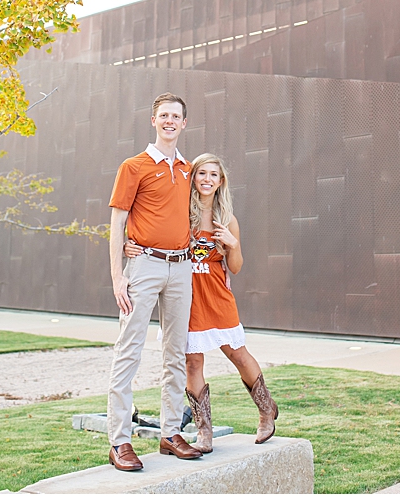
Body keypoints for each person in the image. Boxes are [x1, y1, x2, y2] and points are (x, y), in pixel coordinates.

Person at [125, 153, 279, 452]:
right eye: (201, 174)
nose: (207, 180)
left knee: (237, 353)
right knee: (192, 360)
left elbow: (235, 266)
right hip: (184, 292)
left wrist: (232, 244)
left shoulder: (227, 220)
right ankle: (204, 430)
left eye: (213, 175)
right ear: (192, 178)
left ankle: (266, 411)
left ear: (221, 182)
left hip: (216, 293)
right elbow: (150, 226)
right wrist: (131, 243)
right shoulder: (181, 213)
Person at [104, 92, 202, 472]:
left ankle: (170, 433)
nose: (169, 121)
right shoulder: (134, 166)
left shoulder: (188, 168)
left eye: (176, 116)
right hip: (142, 266)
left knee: (175, 353)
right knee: (128, 351)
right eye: (163, 115)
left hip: (180, 269)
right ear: (153, 120)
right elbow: (116, 223)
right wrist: (117, 276)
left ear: (184, 123)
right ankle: (120, 441)